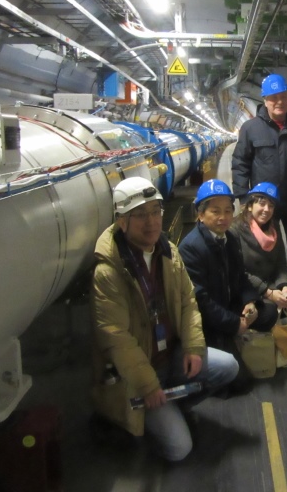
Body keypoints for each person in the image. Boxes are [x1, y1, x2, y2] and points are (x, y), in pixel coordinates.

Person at [90, 177, 238, 462]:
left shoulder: (168, 252)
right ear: (121, 221)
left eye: (156, 211)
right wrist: (147, 385)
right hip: (139, 373)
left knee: (228, 367)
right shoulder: (109, 272)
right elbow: (116, 339)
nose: (152, 222)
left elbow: (187, 302)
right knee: (179, 449)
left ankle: (173, 408)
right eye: (140, 215)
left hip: (170, 354)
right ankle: (140, 420)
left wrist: (194, 347)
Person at [231, 73, 287, 292]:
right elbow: (240, 163)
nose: (278, 102)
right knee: (264, 251)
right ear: (265, 101)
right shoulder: (251, 128)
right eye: (273, 98)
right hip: (263, 204)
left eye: (282, 96)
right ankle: (269, 296)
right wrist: (244, 198)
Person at [178, 179, 279, 358]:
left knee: (269, 312)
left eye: (227, 211)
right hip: (208, 319)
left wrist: (250, 302)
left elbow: (240, 277)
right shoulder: (191, 248)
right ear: (200, 215)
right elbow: (201, 302)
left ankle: (232, 336)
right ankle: (227, 339)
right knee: (235, 379)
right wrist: (233, 323)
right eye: (215, 211)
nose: (223, 217)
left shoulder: (229, 239)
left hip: (230, 306)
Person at [230, 182, 287, 313]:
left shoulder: (274, 227)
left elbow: (281, 263)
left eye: (271, 206)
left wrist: (285, 286)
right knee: (270, 311)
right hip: (247, 289)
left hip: (270, 284)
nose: (266, 209)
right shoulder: (235, 230)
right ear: (249, 206)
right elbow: (238, 272)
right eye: (261, 203)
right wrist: (268, 292)